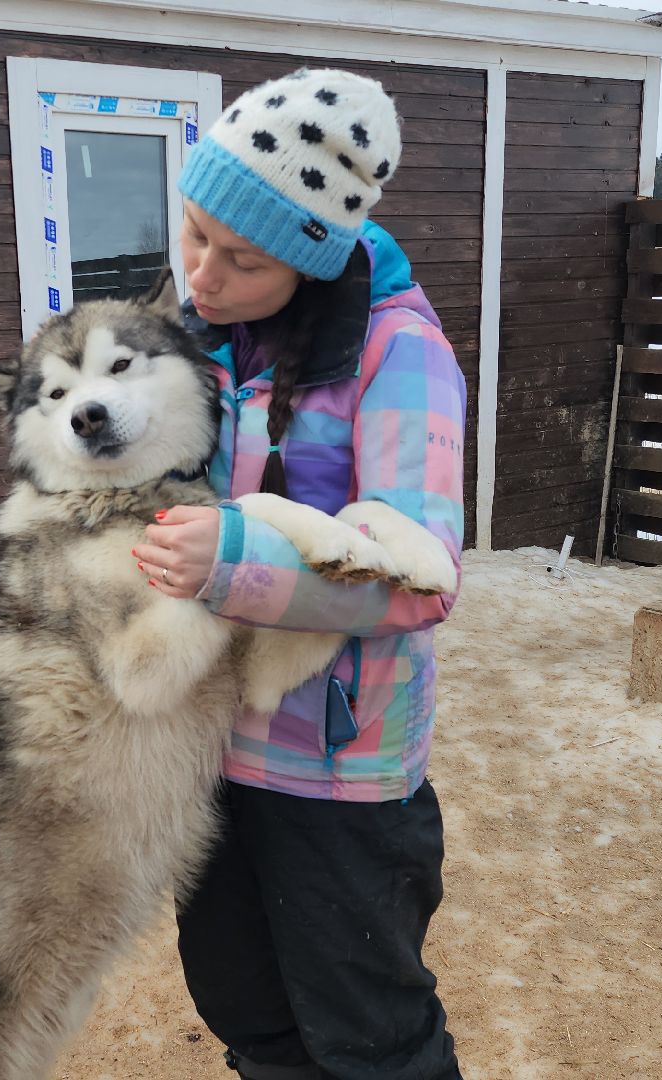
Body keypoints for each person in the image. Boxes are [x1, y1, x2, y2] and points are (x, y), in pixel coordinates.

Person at [130, 68, 468, 1080]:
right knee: (247, 1011)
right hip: (206, 746)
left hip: (336, 763)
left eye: (243, 259)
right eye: (194, 233)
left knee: (370, 1038)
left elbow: (422, 581)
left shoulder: (398, 353)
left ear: (312, 262)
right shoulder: (196, 340)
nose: (202, 274)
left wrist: (230, 561)